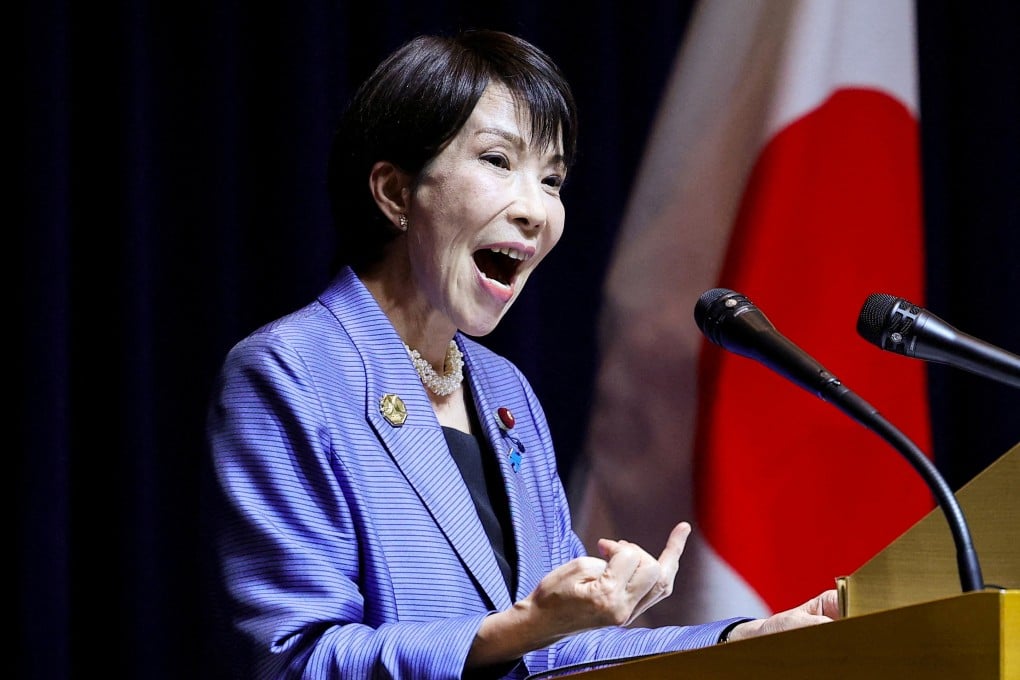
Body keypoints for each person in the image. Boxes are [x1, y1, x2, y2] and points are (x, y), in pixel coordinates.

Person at [206, 28, 840, 679]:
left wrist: (750, 640)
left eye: (553, 177)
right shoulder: (290, 373)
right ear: (396, 192)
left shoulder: (505, 394)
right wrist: (526, 626)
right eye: (500, 162)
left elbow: (557, 655)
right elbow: (297, 658)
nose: (537, 210)